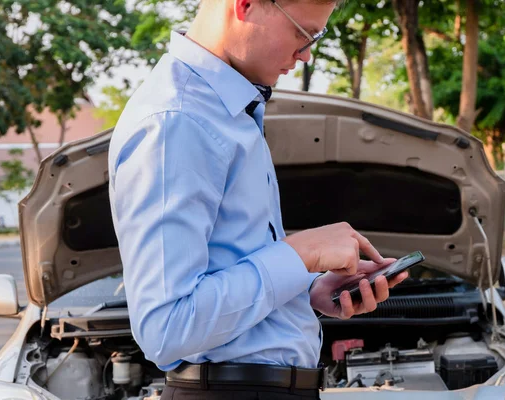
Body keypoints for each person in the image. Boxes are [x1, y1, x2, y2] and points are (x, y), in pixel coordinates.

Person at [108, 0, 409, 398]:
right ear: (245, 5)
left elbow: (227, 267)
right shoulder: (177, 121)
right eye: (303, 34)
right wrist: (300, 255)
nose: (306, 54)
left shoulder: (223, 110)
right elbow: (166, 327)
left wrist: (306, 289)